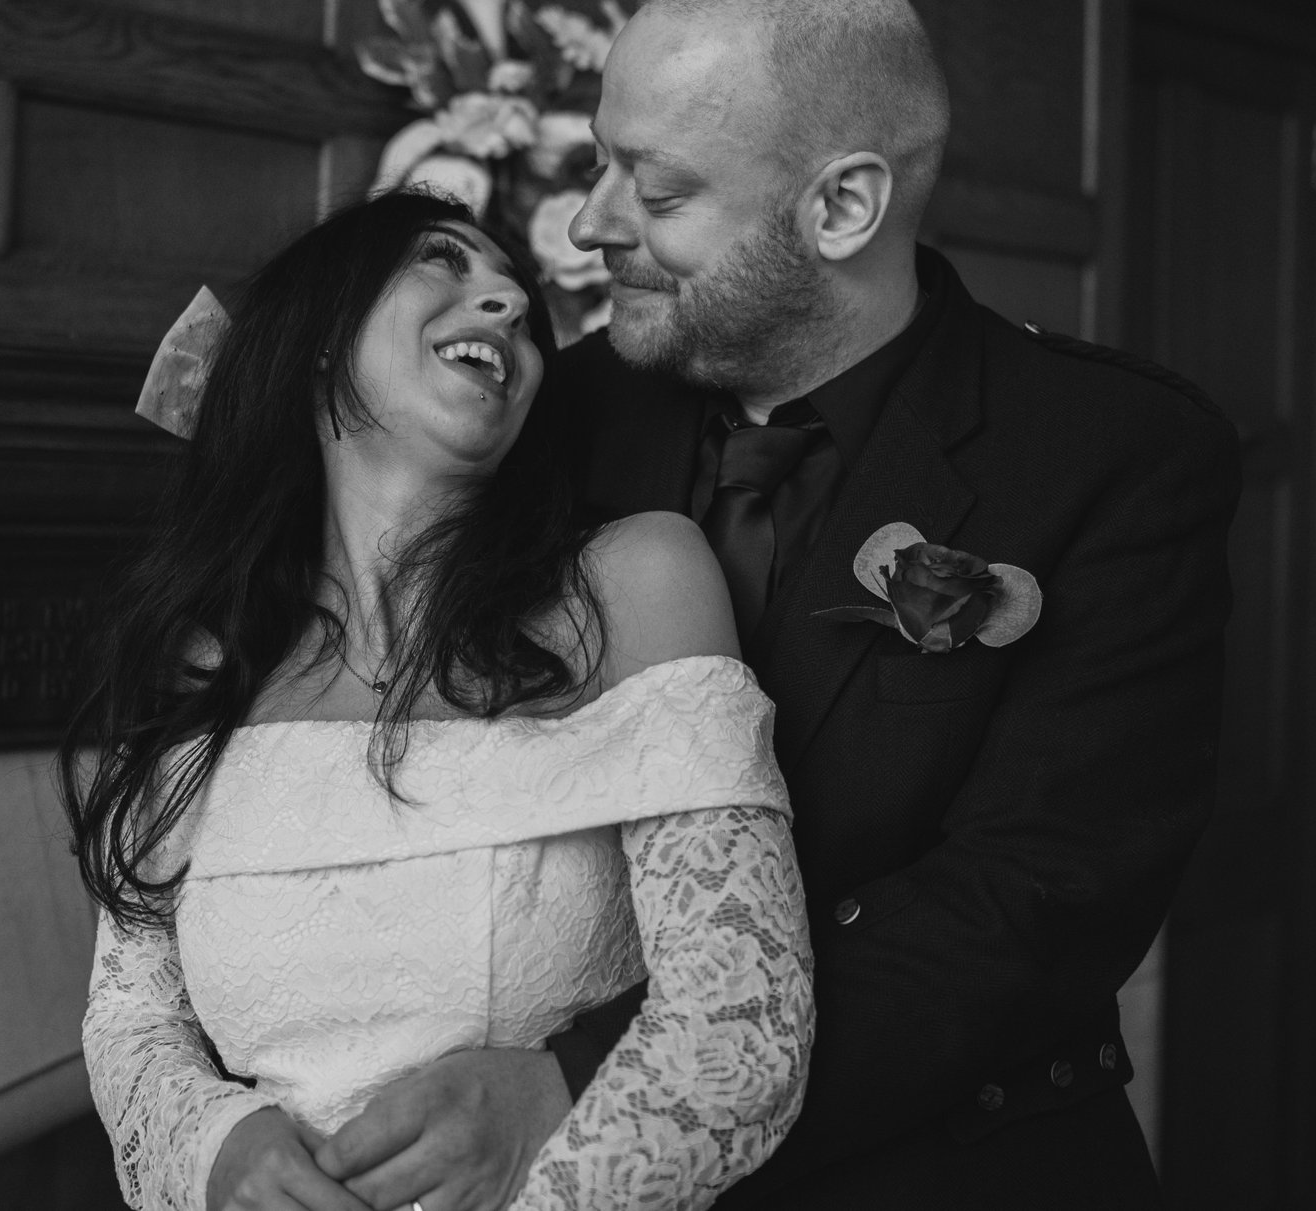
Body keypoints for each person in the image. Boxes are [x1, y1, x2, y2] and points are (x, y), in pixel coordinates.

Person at [314, 0, 1240, 1207]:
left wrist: (587, 1087)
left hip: (937, 1164)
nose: (590, 223)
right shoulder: (552, 414)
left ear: (842, 207)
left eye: (656, 185)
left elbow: (1028, 903)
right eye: (597, 158)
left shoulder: (1111, 454)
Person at [68, 192, 815, 1211]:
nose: (507, 299)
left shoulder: (635, 581)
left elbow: (741, 1020)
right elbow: (130, 1019)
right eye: (442, 260)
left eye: (516, 296)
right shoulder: (201, 662)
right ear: (319, 342)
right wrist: (214, 1149)